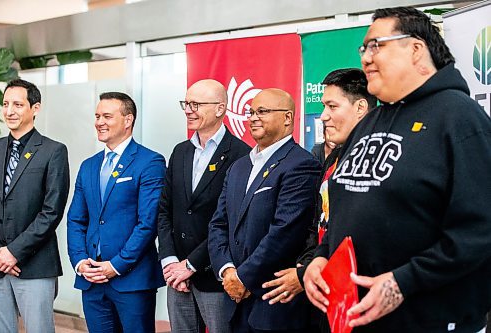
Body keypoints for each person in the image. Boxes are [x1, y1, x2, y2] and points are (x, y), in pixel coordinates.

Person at [304, 7, 491, 333]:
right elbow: (344, 208)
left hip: (428, 320)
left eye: (377, 46)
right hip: (352, 317)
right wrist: (321, 256)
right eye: (364, 49)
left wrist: (405, 281)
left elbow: (480, 230)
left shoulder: (461, 119)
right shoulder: (370, 123)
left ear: (416, 49)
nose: (365, 58)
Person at [262, 69, 376, 332]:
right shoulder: (333, 157)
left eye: (332, 106)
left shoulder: (375, 161)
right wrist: (307, 266)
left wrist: (302, 274)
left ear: (360, 107)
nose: (323, 116)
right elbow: (319, 222)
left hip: (358, 297)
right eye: (323, 106)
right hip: (323, 289)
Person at [208, 88, 321, 332]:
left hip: (273, 303)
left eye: (263, 111)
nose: (253, 118)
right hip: (234, 299)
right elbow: (218, 224)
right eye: (251, 112)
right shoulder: (238, 167)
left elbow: (285, 232)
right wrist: (227, 271)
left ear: (288, 118)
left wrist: (243, 278)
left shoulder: (301, 164)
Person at [67, 92, 166, 332]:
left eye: (107, 116)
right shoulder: (88, 166)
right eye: (97, 116)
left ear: (128, 120)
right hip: (91, 279)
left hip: (130, 280)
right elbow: (76, 220)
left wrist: (117, 265)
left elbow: (148, 223)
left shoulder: (150, 162)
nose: (99, 122)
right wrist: (80, 262)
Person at [158, 79, 250, 333]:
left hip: (214, 276)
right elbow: (165, 210)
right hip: (176, 278)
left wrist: (190, 265)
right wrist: (169, 261)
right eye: (186, 104)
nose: (188, 110)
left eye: (195, 104)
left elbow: (231, 221)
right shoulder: (180, 152)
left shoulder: (241, 155)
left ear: (220, 109)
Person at [0, 79, 70, 333]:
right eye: (5, 104)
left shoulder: (53, 151)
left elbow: (52, 211)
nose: (9, 111)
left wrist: (14, 252)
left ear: (35, 108)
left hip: (35, 265)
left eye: (17, 104)